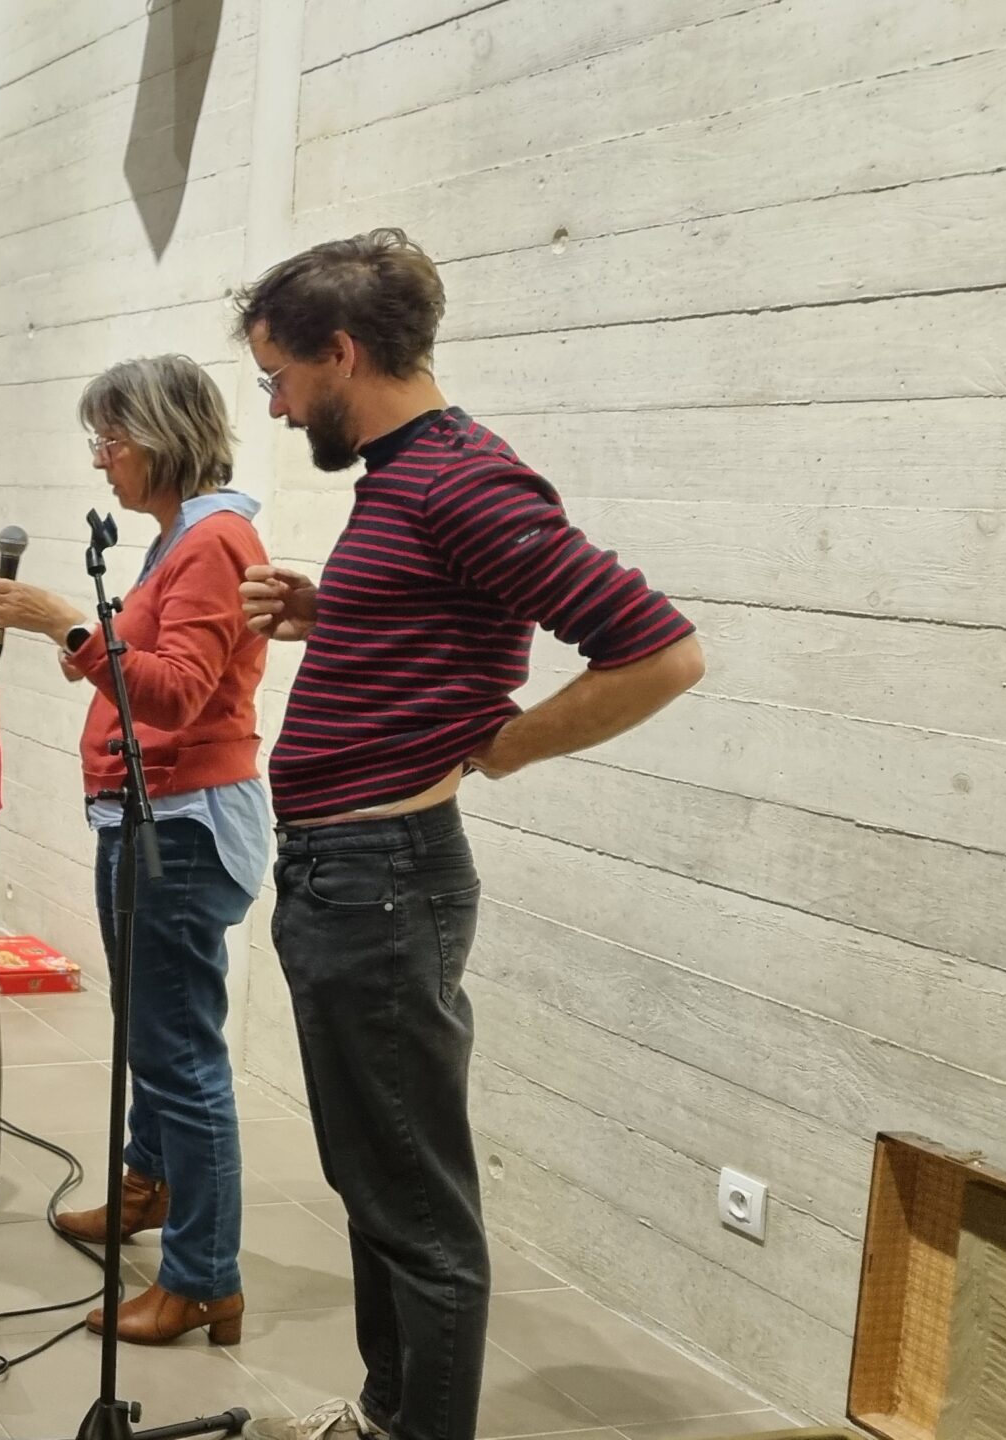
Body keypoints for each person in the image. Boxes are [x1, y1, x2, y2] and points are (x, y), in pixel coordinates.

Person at [232, 230, 705, 1440]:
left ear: (342, 353)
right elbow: (451, 616)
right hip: (349, 876)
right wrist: (328, 610)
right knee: (372, 1182)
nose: (278, 408)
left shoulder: (454, 479)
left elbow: (659, 649)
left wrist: (512, 743)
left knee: (418, 1215)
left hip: (381, 880)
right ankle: (388, 1414)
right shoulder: (409, 480)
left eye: (280, 376)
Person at [0, 354, 269, 1347]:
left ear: (157, 441)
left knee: (180, 1052)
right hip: (152, 818)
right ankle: (146, 1186)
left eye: (108, 444)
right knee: (154, 1032)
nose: (101, 464)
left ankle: (203, 1279)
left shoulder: (213, 543)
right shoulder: (178, 540)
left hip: (180, 827)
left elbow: (179, 691)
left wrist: (65, 622)